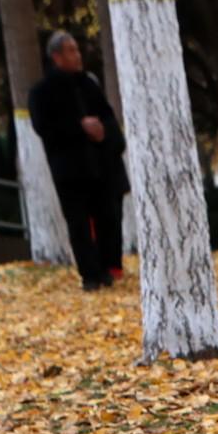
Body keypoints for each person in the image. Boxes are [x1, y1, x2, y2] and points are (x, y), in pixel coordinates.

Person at [28, 30, 128, 289]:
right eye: (71, 50)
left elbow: (107, 116)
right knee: (79, 224)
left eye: (77, 49)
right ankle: (90, 275)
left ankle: (108, 268)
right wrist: (79, 127)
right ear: (56, 56)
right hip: (69, 170)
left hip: (100, 167)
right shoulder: (42, 92)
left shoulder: (88, 84)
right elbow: (44, 128)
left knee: (108, 217)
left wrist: (102, 130)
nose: (78, 55)